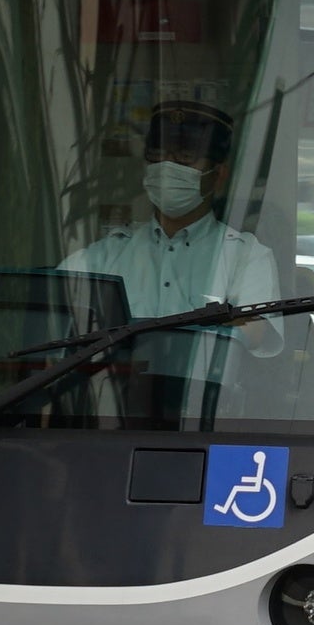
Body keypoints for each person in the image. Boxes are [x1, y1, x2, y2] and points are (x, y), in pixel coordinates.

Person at [66, 100, 285, 413]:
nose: (168, 167)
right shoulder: (106, 255)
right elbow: (56, 308)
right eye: (158, 156)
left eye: (185, 157)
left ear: (219, 175)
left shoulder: (244, 255)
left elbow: (256, 331)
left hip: (201, 415)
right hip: (109, 412)